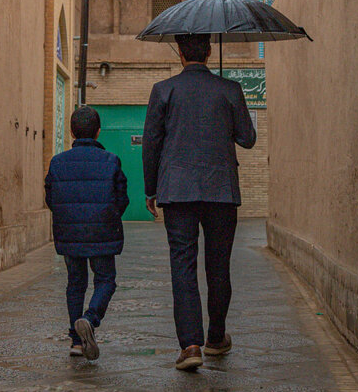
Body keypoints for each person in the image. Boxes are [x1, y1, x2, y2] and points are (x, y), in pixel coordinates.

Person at [142, 33, 256, 371]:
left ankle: (190, 346)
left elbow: (151, 144)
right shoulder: (230, 90)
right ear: (208, 51)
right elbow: (247, 138)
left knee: (183, 265)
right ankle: (216, 337)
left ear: (179, 53)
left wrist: (151, 191)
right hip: (221, 191)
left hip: (177, 191)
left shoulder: (163, 90)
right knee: (218, 265)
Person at [44, 105, 129, 360]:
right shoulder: (111, 161)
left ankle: (76, 342)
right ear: (98, 132)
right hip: (102, 231)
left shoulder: (57, 163)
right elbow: (122, 198)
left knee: (75, 283)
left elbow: (51, 197)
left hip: (70, 233)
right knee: (105, 280)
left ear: (71, 131)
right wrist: (109, 217)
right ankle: (90, 319)